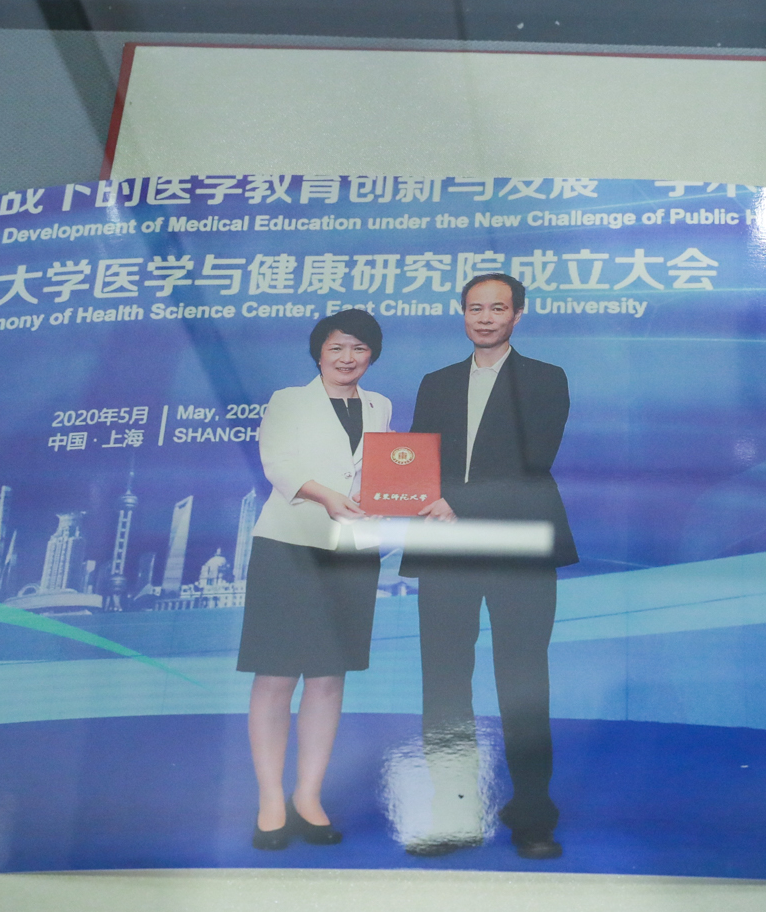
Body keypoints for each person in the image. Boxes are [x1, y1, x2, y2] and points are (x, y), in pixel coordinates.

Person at [403, 273, 576, 859]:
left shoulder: (546, 378)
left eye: (497, 308)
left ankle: (533, 815)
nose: (484, 318)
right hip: (445, 547)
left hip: (518, 547)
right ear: (462, 313)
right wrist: (404, 494)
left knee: (522, 680)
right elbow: (417, 461)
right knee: (444, 681)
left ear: (518, 314)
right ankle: (453, 812)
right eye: (475, 308)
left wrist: (456, 503)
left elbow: (534, 459)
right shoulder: (436, 383)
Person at [238, 309, 393, 850]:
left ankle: (308, 796)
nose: (348, 358)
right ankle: (270, 800)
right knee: (276, 675)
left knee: (328, 677)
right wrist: (327, 495)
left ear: (372, 355)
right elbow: (277, 464)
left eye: (359, 348)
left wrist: (394, 500)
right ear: (318, 353)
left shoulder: (380, 406)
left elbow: (384, 472)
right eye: (337, 348)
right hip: (289, 546)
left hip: (352, 549)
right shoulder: (288, 400)